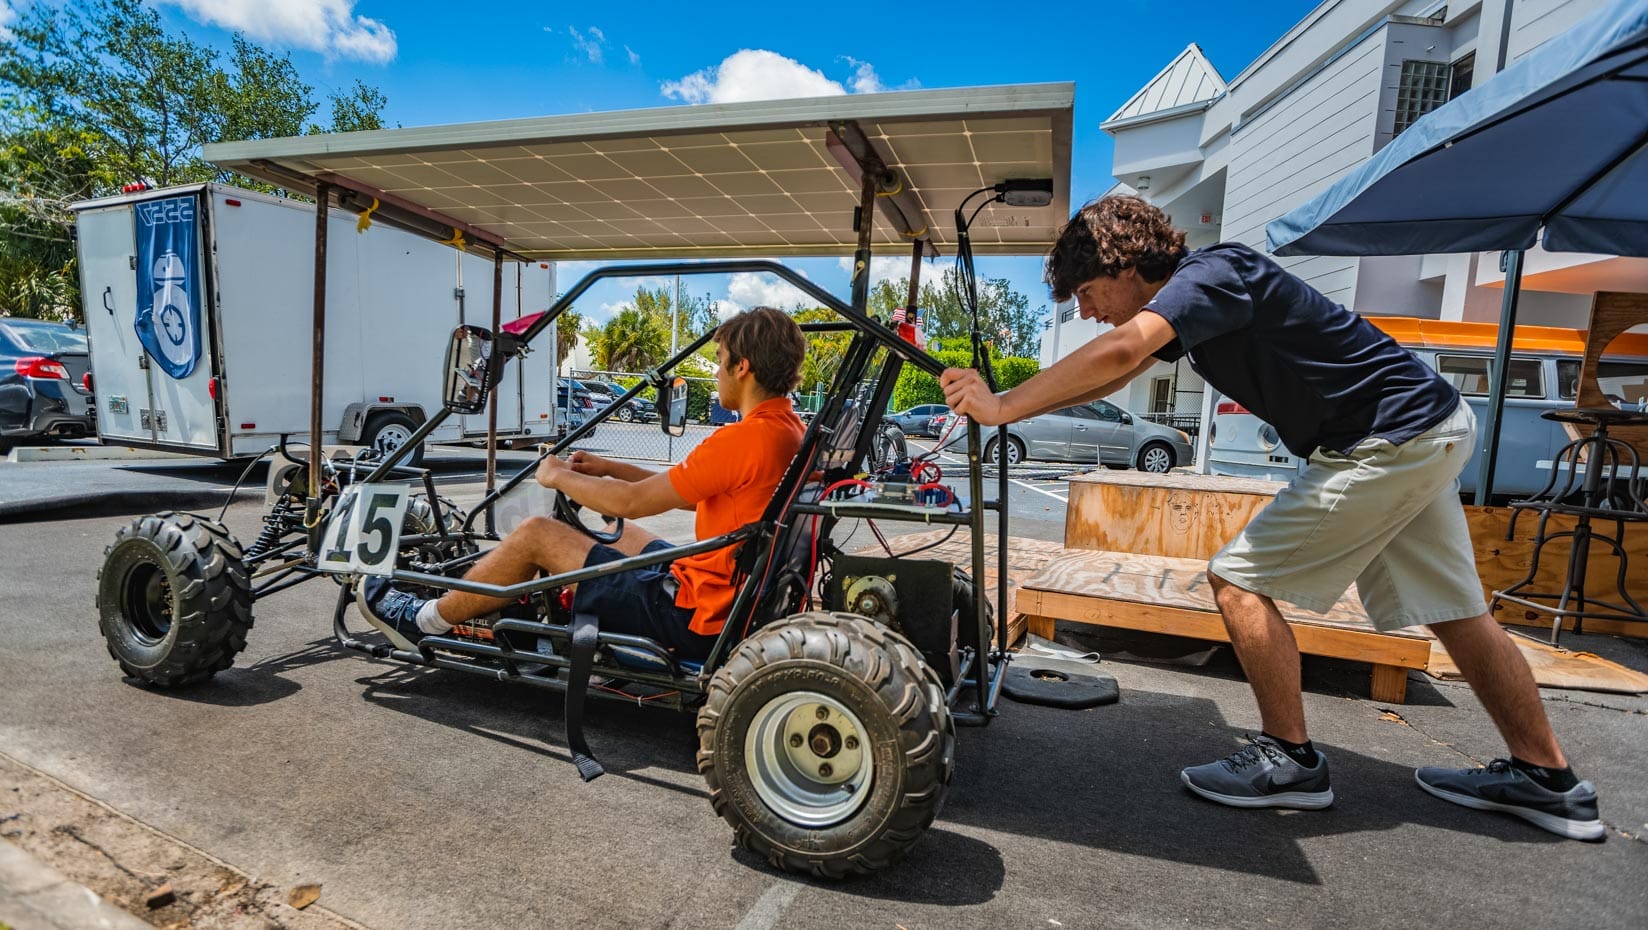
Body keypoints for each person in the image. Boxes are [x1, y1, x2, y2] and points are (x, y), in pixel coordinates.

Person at [940, 195, 1604, 841]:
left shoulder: (1214, 274)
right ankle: (1547, 778)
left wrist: (1000, 405)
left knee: (1238, 581)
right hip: (1424, 425)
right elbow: (1123, 368)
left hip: (1387, 437)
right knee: (1456, 610)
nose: (1084, 312)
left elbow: (1117, 354)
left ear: (1122, 265)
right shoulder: (1200, 297)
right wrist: (1013, 404)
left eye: (1084, 293)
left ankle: (1290, 762)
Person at [360, 306, 808, 662]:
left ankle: (423, 620)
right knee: (617, 531)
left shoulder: (741, 438)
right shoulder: (787, 430)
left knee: (538, 534)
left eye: (721, 363)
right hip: (728, 596)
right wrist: (607, 469)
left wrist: (556, 474)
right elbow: (689, 493)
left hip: (695, 616)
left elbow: (632, 502)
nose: (716, 373)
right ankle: (522, 604)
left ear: (743, 367)